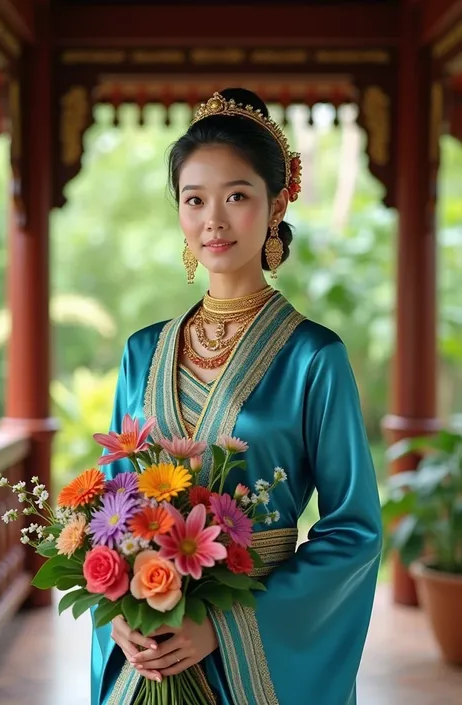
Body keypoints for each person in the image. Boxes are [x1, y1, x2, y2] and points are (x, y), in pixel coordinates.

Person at [90, 87, 382, 705]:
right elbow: (109, 506)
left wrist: (221, 625)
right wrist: (116, 608)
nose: (213, 220)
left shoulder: (314, 358)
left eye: (237, 197)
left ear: (276, 204)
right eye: (194, 200)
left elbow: (353, 529)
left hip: (251, 657)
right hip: (147, 653)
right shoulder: (142, 352)